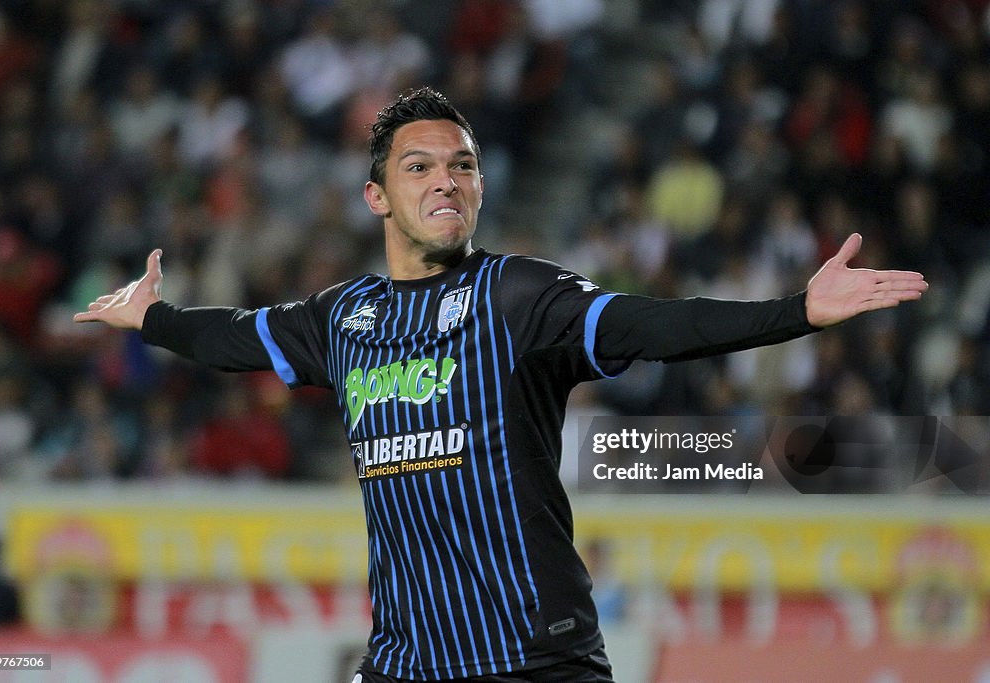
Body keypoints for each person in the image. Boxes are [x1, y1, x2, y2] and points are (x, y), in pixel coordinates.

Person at [74, 87, 927, 682]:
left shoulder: (522, 296)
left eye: (463, 164)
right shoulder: (342, 317)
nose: (446, 179)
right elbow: (233, 339)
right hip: (407, 660)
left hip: (535, 657)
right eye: (420, 167)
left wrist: (794, 311)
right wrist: (152, 318)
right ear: (377, 195)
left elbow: (651, 325)